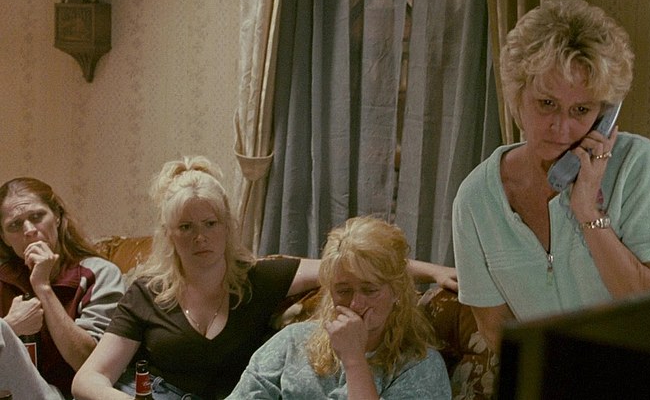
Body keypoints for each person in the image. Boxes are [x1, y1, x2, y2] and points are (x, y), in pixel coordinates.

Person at [73, 156, 456, 400]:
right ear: (168, 234)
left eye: (210, 224)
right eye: (186, 227)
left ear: (228, 227)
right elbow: (88, 378)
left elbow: (360, 265)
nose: (200, 238)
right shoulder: (290, 343)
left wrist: (433, 270)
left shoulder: (259, 279)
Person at [452, 0, 650, 352]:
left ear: (604, 112)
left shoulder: (640, 166)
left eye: (581, 110)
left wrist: (588, 214)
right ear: (517, 96)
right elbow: (496, 331)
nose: (561, 128)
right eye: (547, 104)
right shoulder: (475, 199)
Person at [227, 215, 452, 399]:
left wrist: (354, 359)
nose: (355, 304)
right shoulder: (291, 342)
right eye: (344, 291)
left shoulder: (421, 366)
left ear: (397, 291)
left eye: (370, 290)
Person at [0, 177, 126, 398]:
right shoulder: (3, 278)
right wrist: (10, 327)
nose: (29, 230)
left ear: (57, 217)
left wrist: (43, 287)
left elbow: (90, 365)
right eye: (15, 225)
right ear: (4, 237)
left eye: (37, 217)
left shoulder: (99, 273)